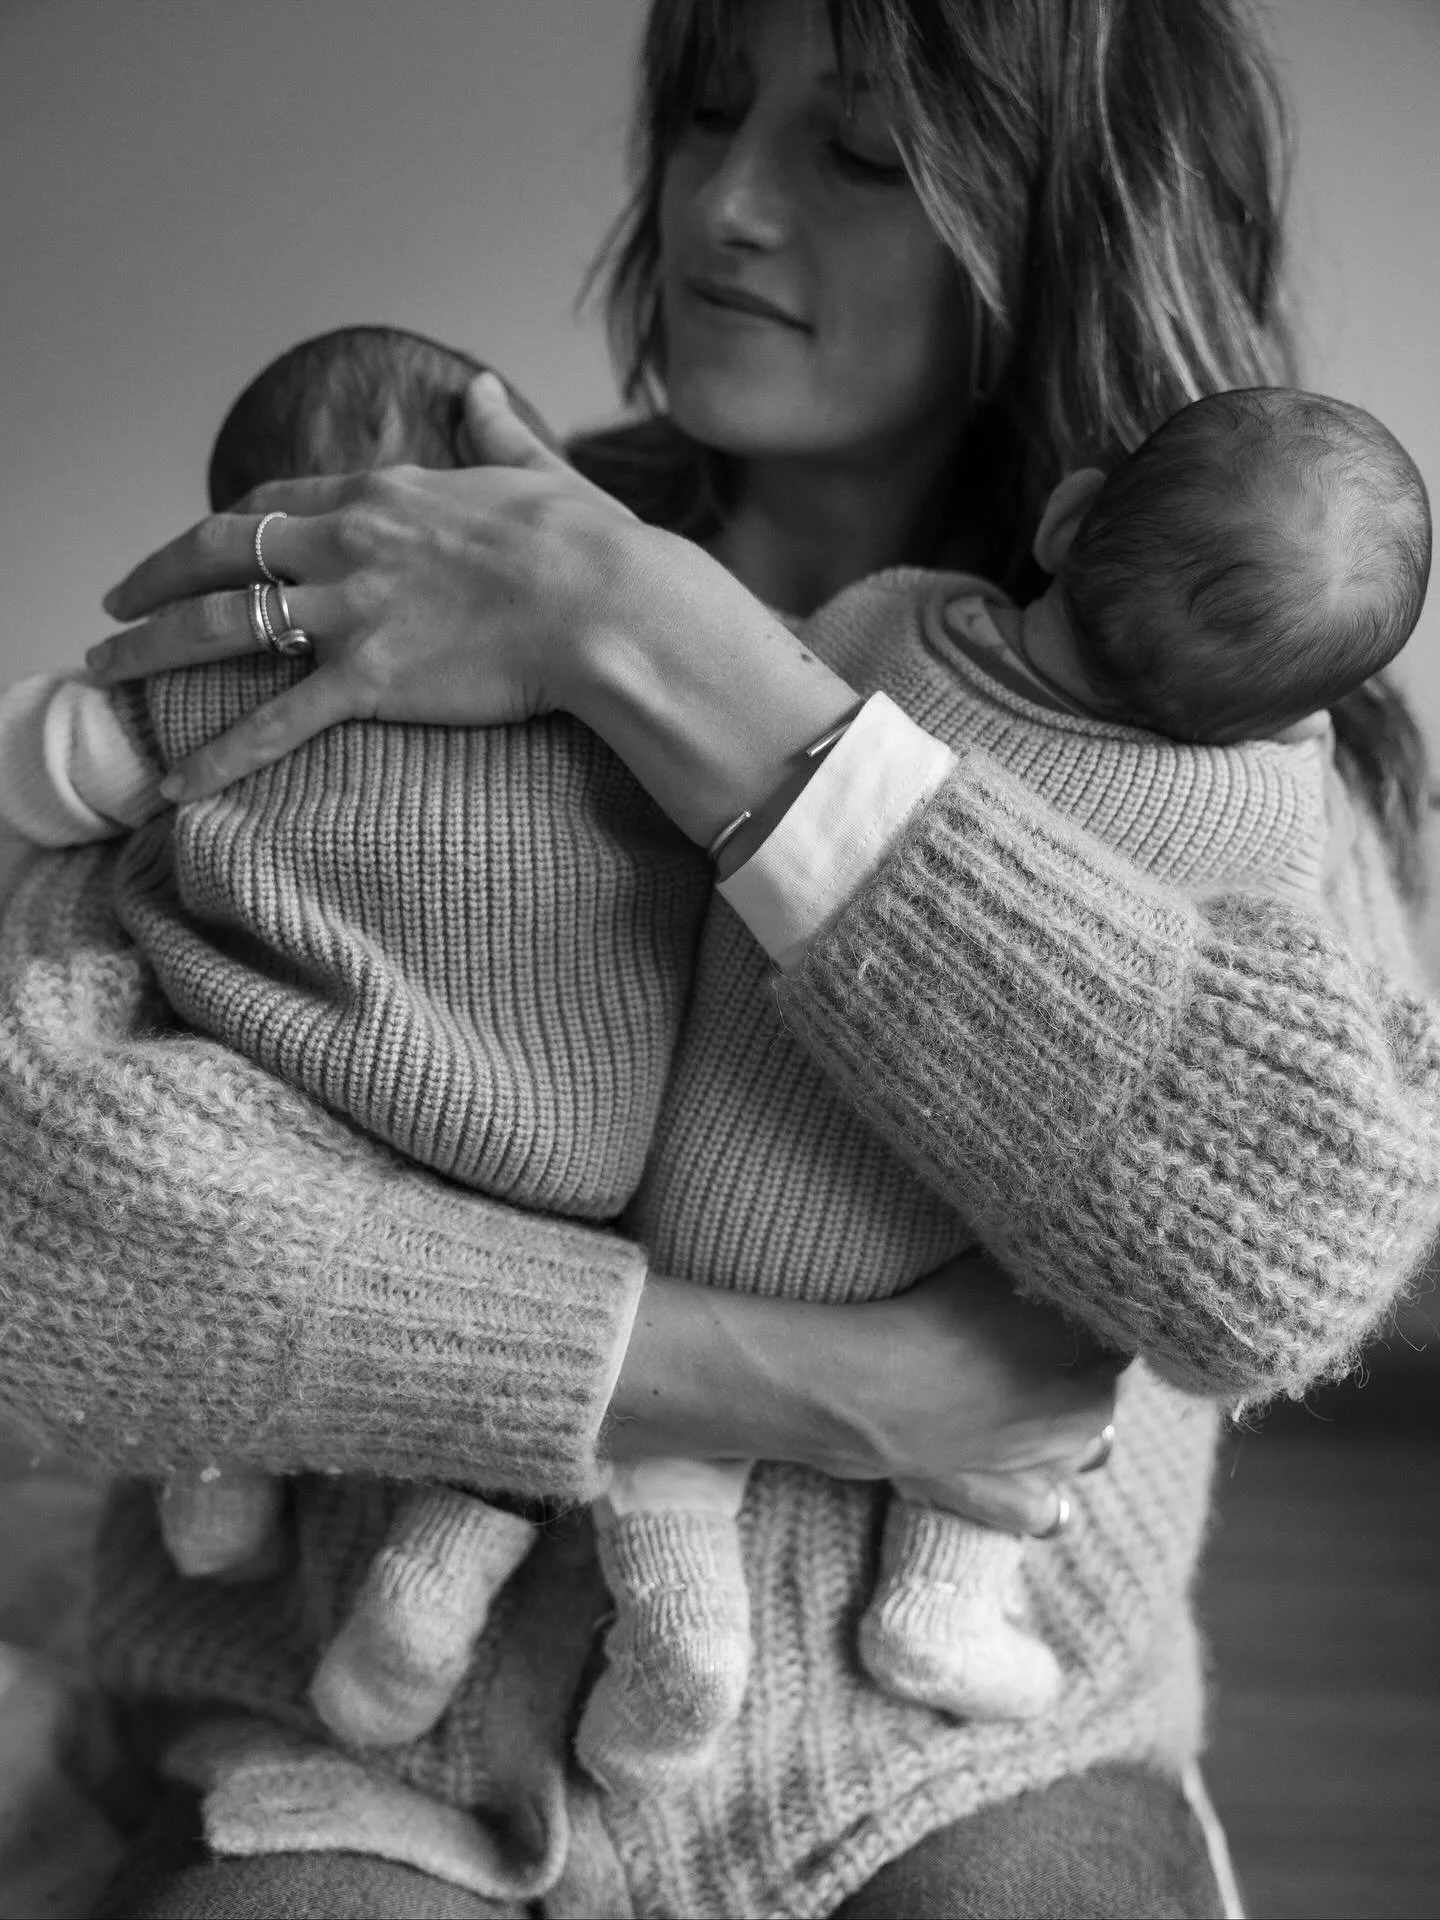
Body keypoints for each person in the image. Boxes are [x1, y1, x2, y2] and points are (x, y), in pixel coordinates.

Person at [3, 1, 1439, 1914]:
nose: (725, 205)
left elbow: (1286, 1251)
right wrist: (793, 1380)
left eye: (857, 155)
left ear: (1074, 232)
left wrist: (679, 663)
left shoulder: (1228, 747)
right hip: (364, 1733)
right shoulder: (406, 554)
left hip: (957, 1746)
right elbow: (45, 1224)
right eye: (701, 113)